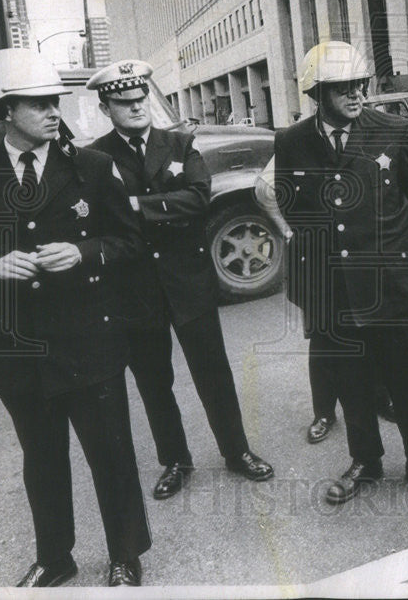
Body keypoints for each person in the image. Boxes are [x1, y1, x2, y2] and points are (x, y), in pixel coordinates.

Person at [0, 49, 151, 587]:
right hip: (14, 343)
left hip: (87, 338)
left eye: (55, 102)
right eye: (38, 103)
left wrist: (86, 252)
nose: (54, 112)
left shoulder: (92, 168)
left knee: (110, 451)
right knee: (42, 457)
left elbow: (131, 240)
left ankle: (125, 553)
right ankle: (55, 556)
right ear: (4, 111)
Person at [255, 40, 408, 505]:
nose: (355, 94)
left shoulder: (392, 129)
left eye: (358, 85)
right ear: (317, 94)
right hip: (333, 285)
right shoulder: (292, 141)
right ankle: (365, 460)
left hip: (391, 280)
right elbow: (287, 200)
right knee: (352, 380)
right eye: (342, 88)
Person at [87, 61, 273, 500]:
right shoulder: (95, 158)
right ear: (105, 107)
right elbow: (100, 218)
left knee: (214, 373)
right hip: (135, 289)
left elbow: (198, 197)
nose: (136, 109)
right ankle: (175, 460)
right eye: (124, 103)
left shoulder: (179, 142)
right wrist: (160, 205)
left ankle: (237, 451)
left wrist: (134, 206)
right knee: (154, 381)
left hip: (187, 282)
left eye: (140, 100)